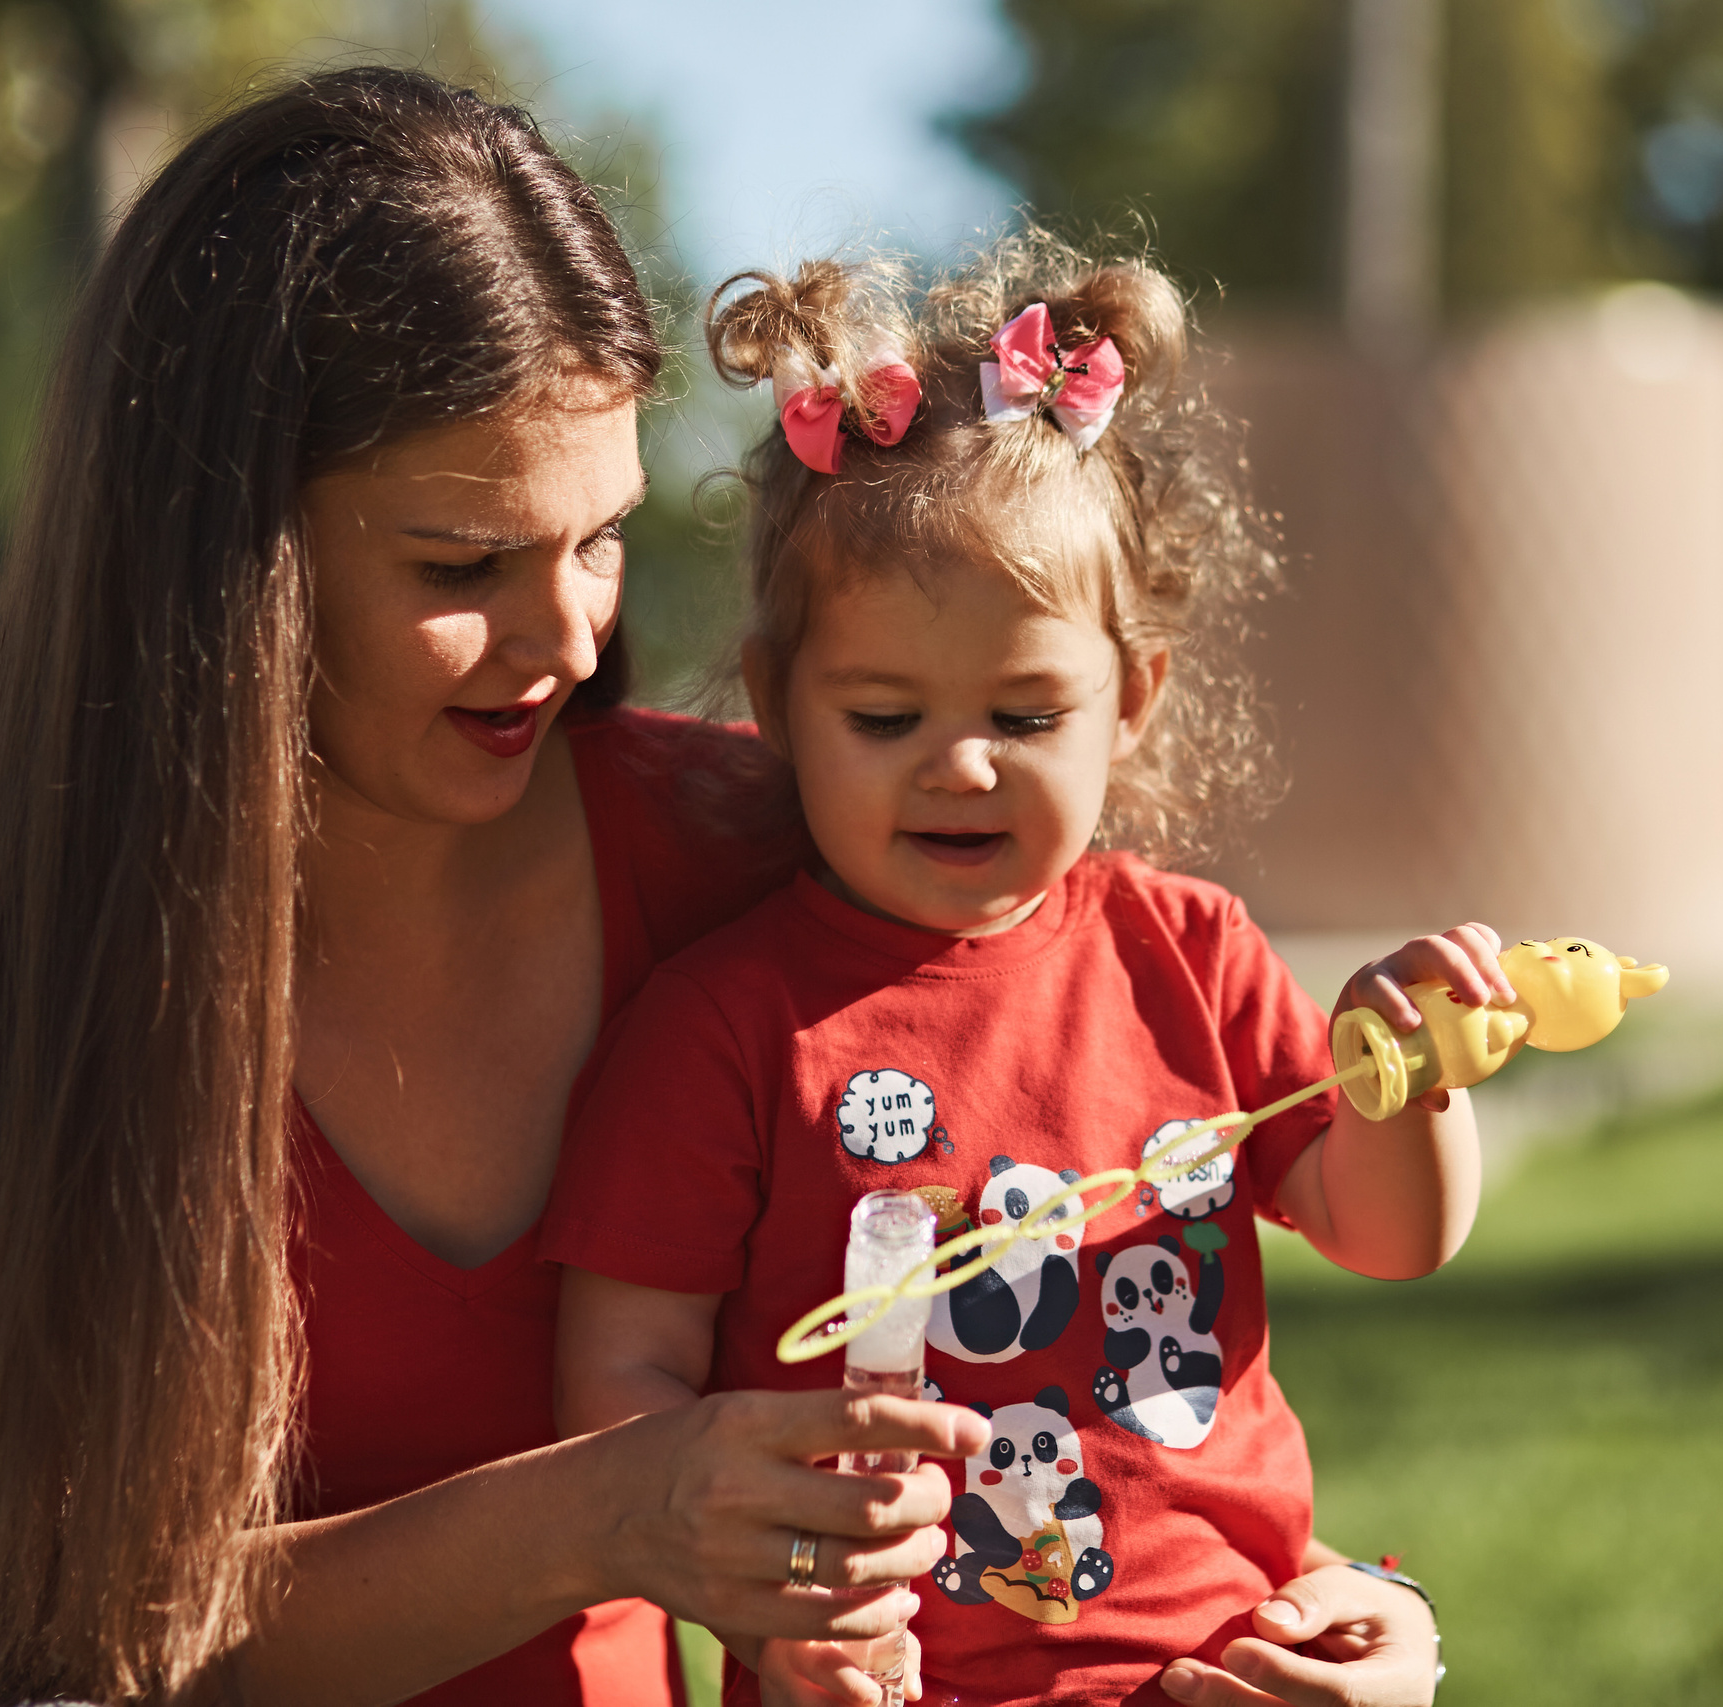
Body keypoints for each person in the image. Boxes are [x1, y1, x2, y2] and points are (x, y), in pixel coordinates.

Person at [0, 69, 988, 1707]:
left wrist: (1292, 1599)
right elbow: (40, 1636)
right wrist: (606, 1513)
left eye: (602, 538)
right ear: (226, 546)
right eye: (462, 564)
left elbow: (1093, 1265)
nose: (573, 641)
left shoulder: (734, 852)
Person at [545, 237, 1475, 1706]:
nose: (962, 763)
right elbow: (621, 1389)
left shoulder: (1193, 956)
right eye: (886, 714)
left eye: (1030, 715)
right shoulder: (727, 1028)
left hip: (1231, 1670)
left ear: (1135, 700)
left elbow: (1390, 1233)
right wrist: (786, 1609)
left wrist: (1408, 1075)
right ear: (780, 707)